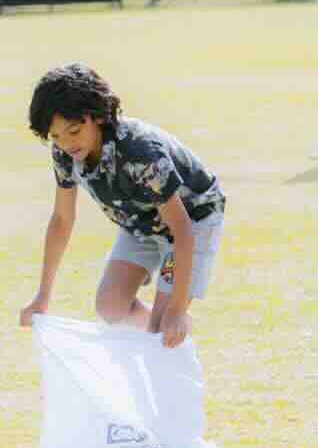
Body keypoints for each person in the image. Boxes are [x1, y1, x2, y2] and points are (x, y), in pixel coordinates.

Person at [20, 63, 227, 348]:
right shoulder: (65, 153)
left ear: (97, 116)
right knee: (110, 307)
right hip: (142, 222)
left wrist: (177, 308)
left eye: (74, 131)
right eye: (55, 137)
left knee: (162, 328)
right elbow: (62, 220)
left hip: (191, 219)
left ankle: (167, 326)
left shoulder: (140, 152)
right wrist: (42, 296)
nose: (66, 144)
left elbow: (182, 229)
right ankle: (164, 328)